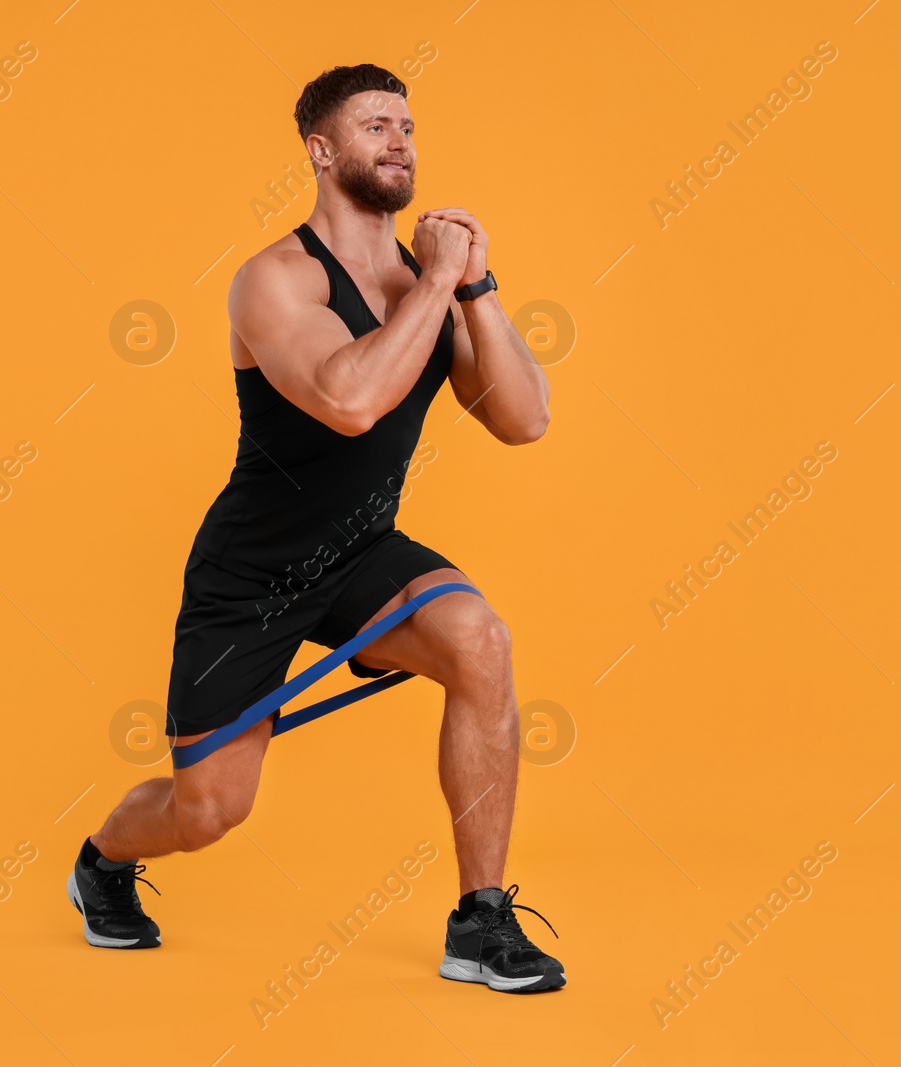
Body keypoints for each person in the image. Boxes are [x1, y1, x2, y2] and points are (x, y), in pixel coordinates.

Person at [68, 63, 562, 992]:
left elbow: (524, 418)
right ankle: (101, 858)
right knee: (209, 811)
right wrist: (436, 288)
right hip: (250, 572)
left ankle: (481, 920)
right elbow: (348, 401)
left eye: (408, 127)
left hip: (362, 554)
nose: (400, 143)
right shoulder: (274, 280)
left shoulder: (436, 284)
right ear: (322, 150)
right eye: (376, 127)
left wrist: (478, 285)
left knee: (480, 640)